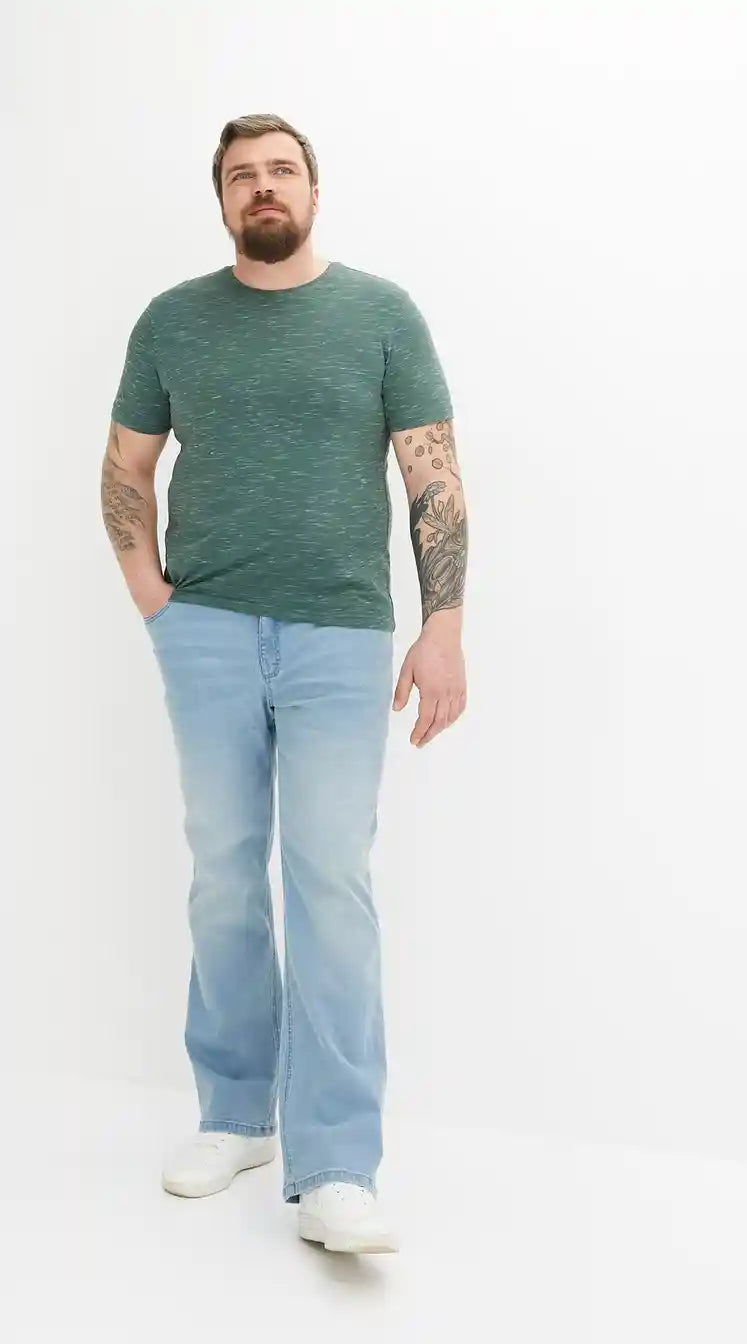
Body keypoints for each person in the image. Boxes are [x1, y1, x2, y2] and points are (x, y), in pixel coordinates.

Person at [99, 112, 468, 1254]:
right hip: (204, 627)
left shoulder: (381, 314)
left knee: (328, 882)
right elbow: (125, 465)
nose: (263, 188)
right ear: (221, 199)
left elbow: (434, 477)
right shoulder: (173, 320)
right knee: (222, 873)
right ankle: (234, 1115)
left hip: (340, 635)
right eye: (242, 176)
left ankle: (338, 1167)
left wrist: (444, 625)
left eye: (281, 171)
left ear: (313, 188)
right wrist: (155, 600)